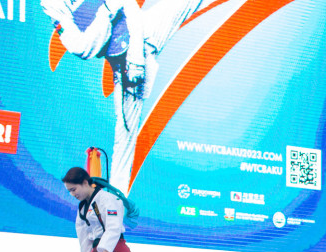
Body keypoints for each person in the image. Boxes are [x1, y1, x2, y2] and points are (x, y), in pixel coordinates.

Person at [40, 0, 210, 191]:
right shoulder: (52, 4)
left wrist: (136, 57)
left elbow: (128, 6)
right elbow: (83, 48)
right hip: (122, 64)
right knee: (125, 139)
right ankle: (114, 204)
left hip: (144, 31)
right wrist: (107, 12)